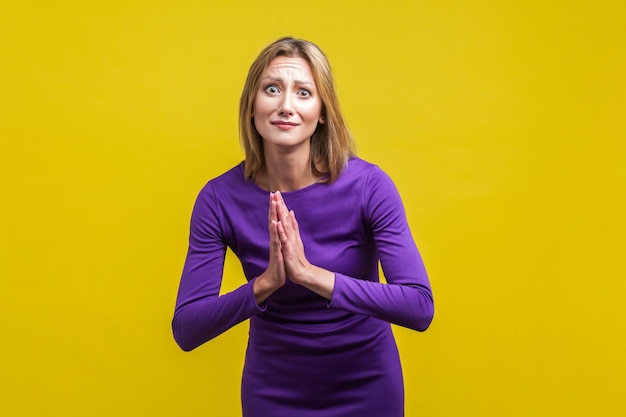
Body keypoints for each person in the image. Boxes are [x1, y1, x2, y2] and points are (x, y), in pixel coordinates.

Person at [172, 37, 434, 417]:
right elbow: (187, 329)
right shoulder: (218, 199)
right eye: (272, 89)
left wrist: (310, 275)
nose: (285, 106)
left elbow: (419, 306)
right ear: (251, 105)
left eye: (304, 93)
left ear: (322, 111)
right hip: (273, 390)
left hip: (367, 384)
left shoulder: (369, 186)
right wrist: (265, 284)